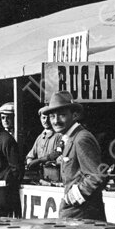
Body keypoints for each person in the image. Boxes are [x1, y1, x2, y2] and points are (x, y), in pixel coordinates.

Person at [42, 91, 106, 221]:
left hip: (83, 215)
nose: (56, 121)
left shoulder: (81, 139)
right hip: (76, 214)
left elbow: (96, 176)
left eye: (62, 115)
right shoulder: (69, 138)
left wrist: (70, 198)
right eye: (52, 116)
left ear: (75, 115)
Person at [25, 111, 64, 179]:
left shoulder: (59, 136)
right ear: (40, 119)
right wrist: (30, 162)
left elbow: (57, 153)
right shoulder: (40, 137)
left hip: (55, 176)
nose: (45, 121)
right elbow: (30, 155)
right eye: (43, 118)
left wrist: (39, 160)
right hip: (40, 176)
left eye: (49, 118)